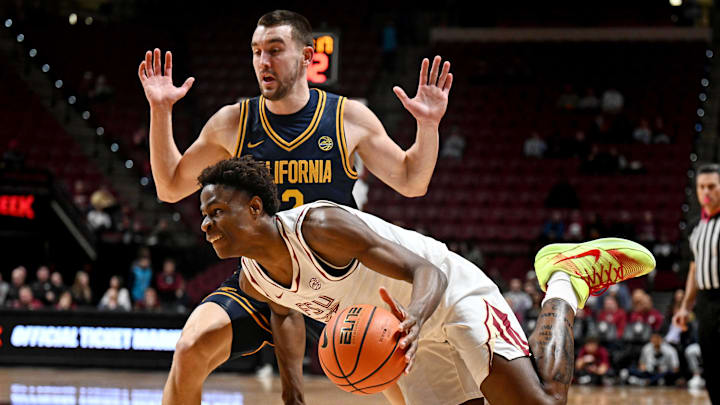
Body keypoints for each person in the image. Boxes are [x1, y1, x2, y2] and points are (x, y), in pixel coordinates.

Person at [138, 9, 453, 405]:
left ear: (307, 57)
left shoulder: (346, 116)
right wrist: (160, 110)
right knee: (190, 348)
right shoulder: (233, 122)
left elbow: (412, 181)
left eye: (275, 50)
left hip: (338, 284)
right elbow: (169, 187)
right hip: (265, 277)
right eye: (256, 51)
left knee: (399, 390)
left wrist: (428, 127)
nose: (263, 62)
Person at [196, 156, 656, 405]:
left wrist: (414, 317)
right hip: (411, 342)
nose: (206, 224)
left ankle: (564, 278)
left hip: (450, 297)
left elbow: (426, 271)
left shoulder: (320, 227)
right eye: (203, 216)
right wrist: (291, 392)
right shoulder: (254, 278)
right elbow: (284, 316)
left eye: (217, 212)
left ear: (255, 208)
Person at [673, 163, 720, 404]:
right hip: (706, 303)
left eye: (711, 186)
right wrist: (685, 307)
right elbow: (694, 269)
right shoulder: (695, 227)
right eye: (702, 187)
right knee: (710, 361)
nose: (706, 192)